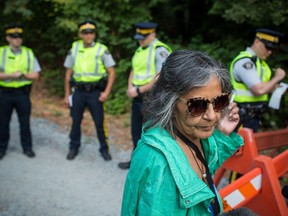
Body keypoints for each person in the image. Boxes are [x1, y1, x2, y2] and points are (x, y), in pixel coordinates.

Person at [121, 50, 244, 215]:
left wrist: (221, 134)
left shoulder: (189, 135)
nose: (212, 115)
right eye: (197, 105)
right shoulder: (160, 163)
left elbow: (203, 172)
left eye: (219, 102)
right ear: (169, 102)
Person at [118, 21, 172, 169]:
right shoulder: (139, 50)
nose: (140, 39)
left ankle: (153, 166)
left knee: (152, 134)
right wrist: (131, 87)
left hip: (153, 99)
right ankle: (136, 161)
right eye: (139, 36)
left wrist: (138, 90)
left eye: (144, 36)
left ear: (153, 34)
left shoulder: (160, 50)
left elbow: (161, 76)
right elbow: (134, 70)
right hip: (138, 97)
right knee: (136, 132)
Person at [64, 20, 116, 161]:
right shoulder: (74, 48)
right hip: (78, 92)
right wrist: (67, 94)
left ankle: (104, 149)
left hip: (95, 93)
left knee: (99, 123)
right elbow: (68, 72)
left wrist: (106, 93)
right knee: (75, 121)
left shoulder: (101, 49)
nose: (88, 35)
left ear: (94, 34)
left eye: (91, 32)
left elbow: (111, 72)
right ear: (80, 34)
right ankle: (73, 147)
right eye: (85, 32)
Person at [230, 28, 286, 132]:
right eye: (267, 47)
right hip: (241, 116)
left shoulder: (260, 63)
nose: (270, 52)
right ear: (257, 42)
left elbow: (262, 86)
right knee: (240, 148)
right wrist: (277, 77)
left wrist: (274, 88)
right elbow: (258, 90)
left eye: (272, 49)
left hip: (252, 116)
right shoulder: (246, 62)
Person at [0, 24, 41, 160]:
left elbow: (36, 75)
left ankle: (27, 148)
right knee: (3, 122)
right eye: (14, 37)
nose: (17, 39)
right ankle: (2, 148)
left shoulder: (28, 53)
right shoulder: (1, 52)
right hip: (4, 93)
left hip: (22, 94)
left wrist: (24, 75)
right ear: (8, 38)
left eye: (19, 37)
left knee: (25, 122)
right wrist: (10, 75)